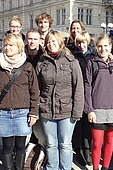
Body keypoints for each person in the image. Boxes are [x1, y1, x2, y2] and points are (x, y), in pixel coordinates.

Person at [0, 33, 40, 170]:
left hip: (23, 113)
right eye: (5, 45)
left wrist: (34, 112)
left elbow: (34, 91)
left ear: (19, 47)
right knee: (7, 147)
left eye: (11, 45)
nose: (7, 48)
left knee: (21, 147)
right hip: (3, 113)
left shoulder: (27, 67)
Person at [37, 31, 84, 170]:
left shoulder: (72, 62)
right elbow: (37, 87)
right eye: (48, 42)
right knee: (51, 143)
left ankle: (65, 168)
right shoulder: (42, 62)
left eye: (54, 41)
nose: (51, 44)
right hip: (47, 110)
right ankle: (52, 167)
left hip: (66, 110)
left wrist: (77, 112)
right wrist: (39, 105)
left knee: (65, 143)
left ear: (60, 43)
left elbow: (79, 88)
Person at [84, 34, 113, 170]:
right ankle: (96, 168)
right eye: (100, 46)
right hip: (97, 110)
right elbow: (87, 86)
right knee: (97, 143)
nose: (103, 49)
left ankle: (106, 167)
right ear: (96, 48)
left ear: (110, 47)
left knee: (110, 142)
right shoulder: (92, 63)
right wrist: (89, 109)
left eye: (105, 46)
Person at [71, 31, 95, 166]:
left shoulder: (93, 57)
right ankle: (78, 150)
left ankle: (87, 150)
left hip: (90, 94)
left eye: (83, 42)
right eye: (79, 42)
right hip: (77, 94)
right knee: (78, 125)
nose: (81, 45)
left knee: (88, 125)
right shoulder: (74, 58)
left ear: (88, 42)